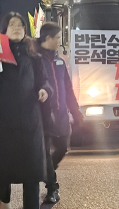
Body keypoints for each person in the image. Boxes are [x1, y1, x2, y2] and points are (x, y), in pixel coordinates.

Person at [0, 12, 52, 209]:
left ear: (25, 30)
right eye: (12, 25)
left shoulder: (34, 55)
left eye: (20, 25)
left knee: (32, 172)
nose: (17, 28)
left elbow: (44, 81)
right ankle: (4, 203)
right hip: (3, 122)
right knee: (5, 169)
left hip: (30, 122)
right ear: (4, 31)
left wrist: (44, 90)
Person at [36, 23, 82, 204]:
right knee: (46, 152)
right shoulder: (36, 60)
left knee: (63, 147)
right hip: (43, 115)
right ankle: (52, 187)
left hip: (61, 113)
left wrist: (75, 111)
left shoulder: (60, 61)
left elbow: (68, 89)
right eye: (57, 37)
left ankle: (47, 172)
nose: (59, 41)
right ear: (48, 39)